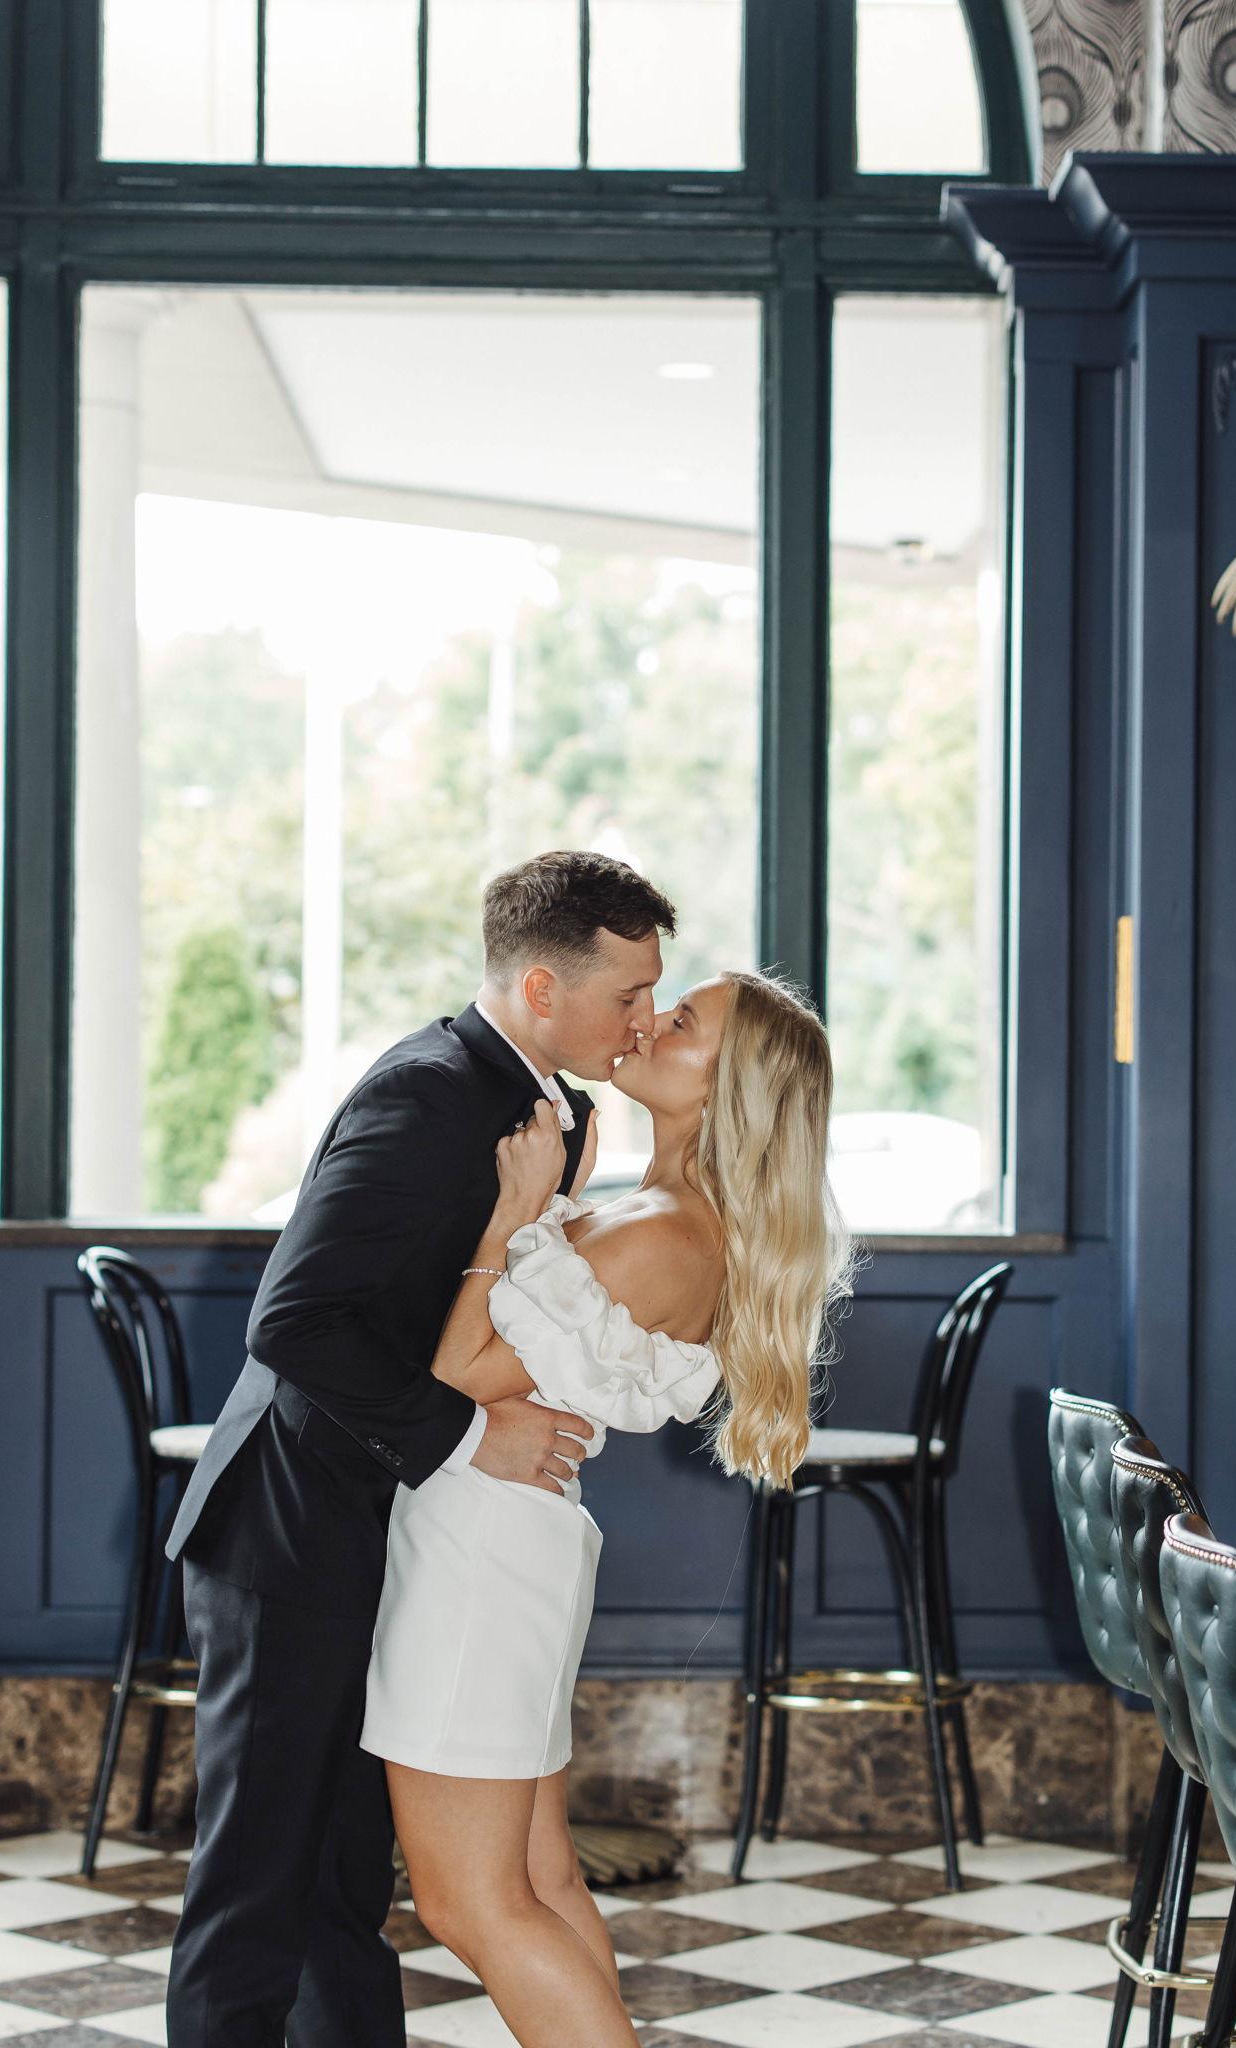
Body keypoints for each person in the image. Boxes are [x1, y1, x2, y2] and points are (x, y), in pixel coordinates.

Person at [164, 850, 677, 2048]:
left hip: (382, 1532)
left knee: (343, 1884)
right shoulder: (428, 1093)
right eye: (627, 994)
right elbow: (291, 1323)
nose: (642, 1019)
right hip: (289, 1534)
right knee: (256, 1888)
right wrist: (471, 1430)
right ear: (541, 988)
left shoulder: (556, 1109)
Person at [362, 967, 853, 2048]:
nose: (647, 1023)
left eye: (681, 1022)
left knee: (467, 1902)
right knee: (539, 1878)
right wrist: (545, 1206)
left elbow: (459, 1368)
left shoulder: (668, 1233)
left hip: (480, 1554)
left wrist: (507, 1216)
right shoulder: (653, 1209)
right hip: (502, 1542)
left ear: (729, 1087)